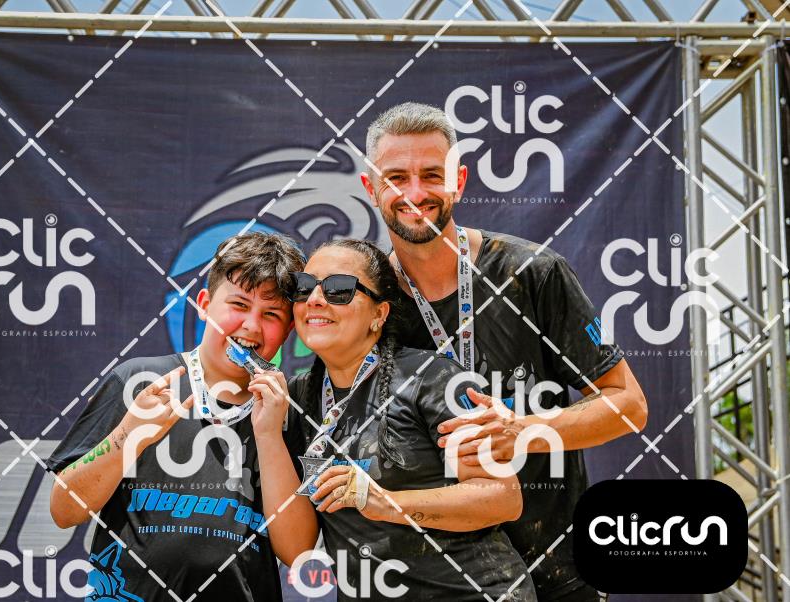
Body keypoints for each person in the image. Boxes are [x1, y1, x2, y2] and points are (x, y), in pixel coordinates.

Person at [358, 102, 649, 600]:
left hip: (558, 572)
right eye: (396, 177)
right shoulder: (369, 302)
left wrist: (522, 432)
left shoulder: (533, 273)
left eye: (432, 175)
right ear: (371, 187)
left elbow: (629, 405)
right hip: (434, 584)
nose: (415, 193)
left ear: (459, 180)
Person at [250, 238, 537, 602]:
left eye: (339, 289)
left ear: (379, 314)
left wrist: (385, 501)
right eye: (304, 287)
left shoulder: (433, 378)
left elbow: (502, 498)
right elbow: (296, 550)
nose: (316, 299)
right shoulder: (295, 400)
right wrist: (268, 434)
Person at [46, 232, 312, 602]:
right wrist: (128, 435)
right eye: (239, 304)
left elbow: (298, 552)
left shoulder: (290, 409)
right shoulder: (138, 381)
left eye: (271, 314)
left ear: (288, 329)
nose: (251, 325)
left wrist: (268, 436)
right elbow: (64, 511)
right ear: (204, 305)